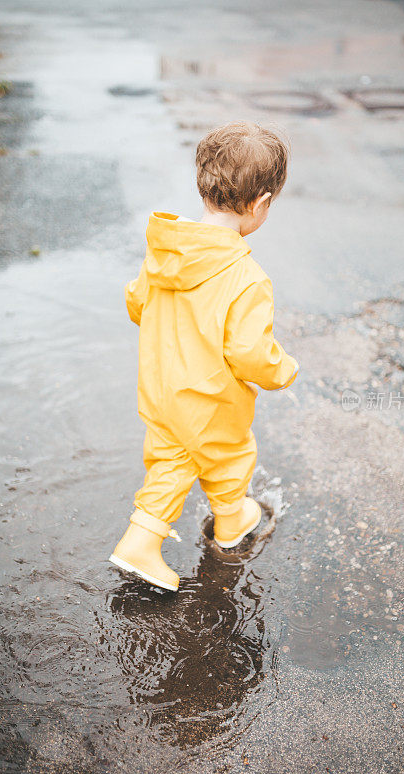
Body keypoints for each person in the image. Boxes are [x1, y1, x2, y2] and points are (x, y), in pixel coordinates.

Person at [109, 121, 298, 591]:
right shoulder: (246, 277)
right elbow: (250, 352)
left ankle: (230, 521)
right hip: (211, 398)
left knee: (173, 458)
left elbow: (137, 302)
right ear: (260, 204)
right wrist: (282, 370)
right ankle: (143, 542)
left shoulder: (168, 251)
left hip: (160, 388)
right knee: (230, 453)